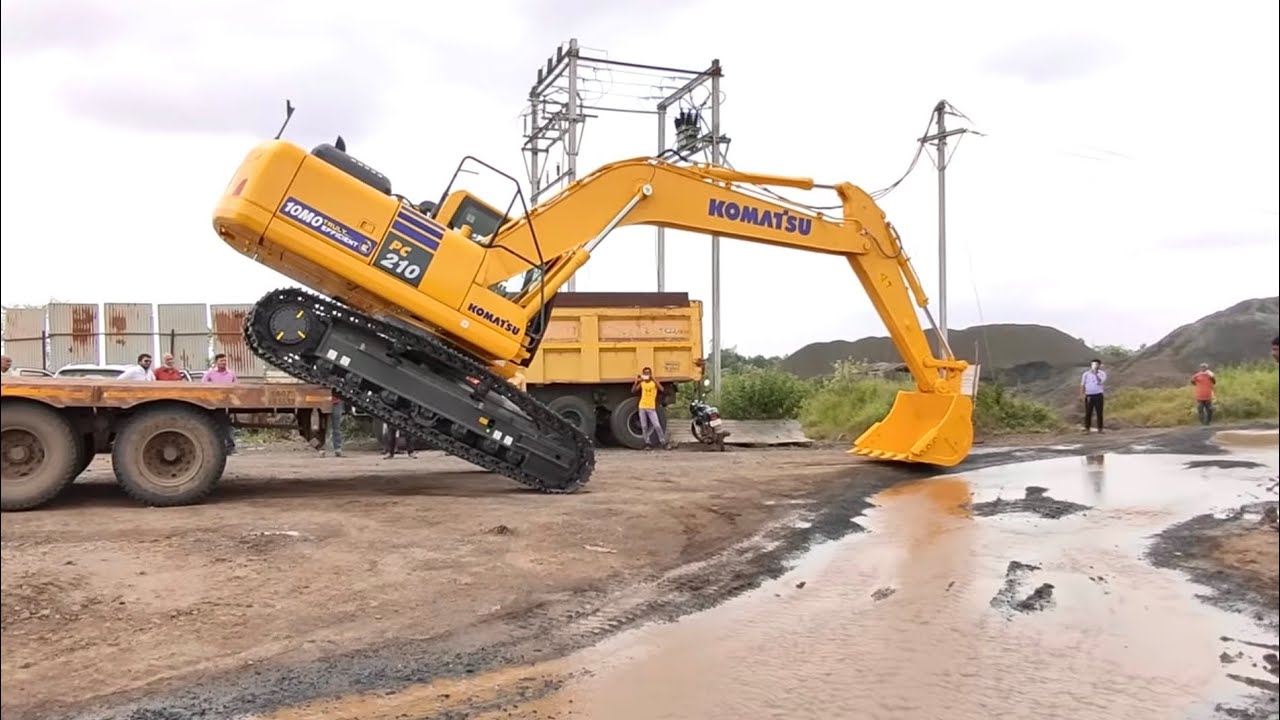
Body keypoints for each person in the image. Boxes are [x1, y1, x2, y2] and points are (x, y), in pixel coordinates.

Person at [202, 353, 238, 453]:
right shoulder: (209, 374)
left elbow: (236, 387)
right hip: (213, 404)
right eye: (221, 360)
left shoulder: (231, 373)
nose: (223, 362)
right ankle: (216, 446)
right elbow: (203, 387)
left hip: (227, 404)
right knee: (215, 424)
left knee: (227, 425)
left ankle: (230, 447)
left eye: (225, 361)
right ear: (216, 362)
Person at [631, 366, 669, 450]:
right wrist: (636, 382)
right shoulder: (642, 383)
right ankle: (647, 443)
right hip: (642, 407)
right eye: (645, 373)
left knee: (657, 425)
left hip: (651, 408)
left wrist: (653, 379)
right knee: (644, 426)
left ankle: (663, 442)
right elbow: (633, 391)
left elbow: (661, 389)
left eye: (648, 373)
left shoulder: (654, 383)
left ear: (650, 374)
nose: (647, 374)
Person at [1080, 358, 1107, 433]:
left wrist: (1095, 374)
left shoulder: (1102, 374)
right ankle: (1087, 429)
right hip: (1089, 395)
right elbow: (1082, 384)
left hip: (1098, 395)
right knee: (1088, 412)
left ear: (1099, 365)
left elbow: (1100, 382)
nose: (1094, 366)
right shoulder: (1086, 374)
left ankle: (1100, 429)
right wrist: (1081, 395)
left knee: (1099, 412)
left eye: (1096, 364)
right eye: (1093, 364)